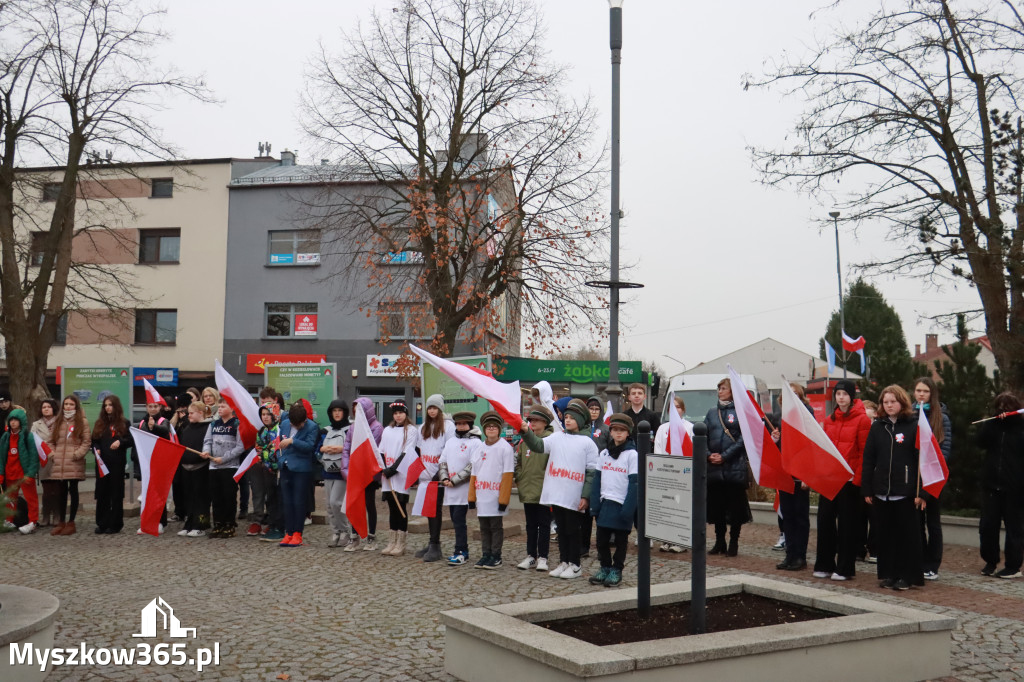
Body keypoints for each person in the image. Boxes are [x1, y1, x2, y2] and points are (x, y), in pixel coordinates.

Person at [518, 398, 599, 580]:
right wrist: (525, 432)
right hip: (557, 493)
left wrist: (586, 496)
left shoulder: (588, 443)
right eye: (566, 417)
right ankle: (564, 561)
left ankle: (575, 564)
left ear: (580, 420)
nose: (567, 420)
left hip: (574, 495)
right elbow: (538, 445)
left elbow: (591, 472)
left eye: (572, 417)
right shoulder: (556, 437)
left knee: (572, 530)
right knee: (561, 530)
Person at [862, 384, 924, 590]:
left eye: (892, 402)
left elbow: (922, 460)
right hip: (882, 492)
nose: (889, 405)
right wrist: (868, 488)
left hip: (905, 492)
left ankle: (907, 576)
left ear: (901, 402)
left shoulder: (914, 426)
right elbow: (869, 459)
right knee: (885, 536)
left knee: (906, 536)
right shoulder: (878, 427)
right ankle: (889, 573)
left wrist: (921, 492)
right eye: (885, 402)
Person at [817, 379, 871, 580]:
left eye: (845, 394)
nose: (841, 397)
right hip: (830, 480)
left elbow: (865, 452)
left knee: (848, 527)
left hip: (849, 482)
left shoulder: (862, 420)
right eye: (838, 394)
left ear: (851, 396)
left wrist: (857, 480)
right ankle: (824, 564)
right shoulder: (830, 420)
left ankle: (845, 568)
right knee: (825, 522)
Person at [977, 392, 1024, 579]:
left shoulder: (1020, 428)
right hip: (991, 485)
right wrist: (992, 423)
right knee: (988, 526)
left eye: (1008, 406)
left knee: (1014, 528)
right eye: (1000, 406)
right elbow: (981, 443)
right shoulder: (993, 426)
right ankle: (990, 561)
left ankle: (1013, 565)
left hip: (1014, 487)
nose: (1004, 410)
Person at [588, 413, 638, 587]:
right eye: (615, 430)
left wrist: (628, 509)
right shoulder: (604, 454)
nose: (618, 433)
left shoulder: (632, 455)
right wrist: (594, 504)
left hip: (622, 504)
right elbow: (597, 480)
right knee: (601, 540)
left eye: (622, 431)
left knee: (620, 541)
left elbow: (635, 484)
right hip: (605, 502)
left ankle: (617, 569)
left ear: (628, 433)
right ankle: (605, 567)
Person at [705, 377, 751, 557]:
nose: (720, 391)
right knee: (717, 508)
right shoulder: (711, 413)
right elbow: (704, 435)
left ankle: (733, 542)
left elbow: (743, 439)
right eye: (719, 388)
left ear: (732, 392)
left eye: (723, 388)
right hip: (715, 469)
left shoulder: (740, 412)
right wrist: (709, 454)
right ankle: (719, 541)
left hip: (734, 468)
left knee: (735, 509)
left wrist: (725, 456)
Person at [913, 377, 952, 581]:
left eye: (925, 391)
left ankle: (932, 563)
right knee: (916, 522)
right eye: (918, 390)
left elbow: (944, 451)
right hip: (914, 477)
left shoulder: (941, 418)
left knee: (933, 522)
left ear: (932, 394)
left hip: (934, 476)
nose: (921, 394)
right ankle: (918, 560)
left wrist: (930, 483)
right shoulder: (910, 414)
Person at [771, 383, 811, 572]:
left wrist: (807, 475)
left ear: (801, 396)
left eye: (795, 394)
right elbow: (779, 449)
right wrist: (776, 440)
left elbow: (810, 446)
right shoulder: (780, 417)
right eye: (788, 395)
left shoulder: (806, 414)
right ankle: (790, 554)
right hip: (786, 473)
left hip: (801, 473)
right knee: (787, 517)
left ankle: (800, 557)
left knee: (800, 516)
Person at [468, 411, 515, 569]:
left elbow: (508, 475)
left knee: (495, 527)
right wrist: (471, 497)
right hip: (482, 494)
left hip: (496, 495)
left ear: (499, 429)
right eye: (489, 427)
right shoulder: (479, 448)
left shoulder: (505, 448)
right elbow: (474, 474)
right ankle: (485, 554)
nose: (491, 429)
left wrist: (503, 499)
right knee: (484, 527)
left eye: (495, 427)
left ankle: (496, 555)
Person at [413, 394, 454, 562]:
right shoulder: (422, 427)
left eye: (434, 408)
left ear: (440, 409)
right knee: (429, 510)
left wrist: (440, 473)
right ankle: (432, 543)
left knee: (435, 510)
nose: (431, 411)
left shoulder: (448, 426)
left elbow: (450, 450)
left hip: (439, 475)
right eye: (429, 407)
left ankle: (435, 545)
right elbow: (418, 450)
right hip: (426, 476)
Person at [341, 397, 384, 551]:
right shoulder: (353, 428)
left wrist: (366, 471)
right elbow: (346, 449)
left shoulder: (376, 427)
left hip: (368, 475)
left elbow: (372, 451)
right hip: (355, 474)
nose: (356, 412)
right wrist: (346, 470)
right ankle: (354, 537)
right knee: (354, 503)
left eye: (359, 409)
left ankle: (371, 537)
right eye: (354, 409)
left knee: (369, 504)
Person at [275, 401, 320, 547]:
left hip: (301, 469)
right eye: (294, 424)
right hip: (286, 466)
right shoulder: (285, 423)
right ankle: (288, 532)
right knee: (286, 502)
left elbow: (309, 446)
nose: (295, 427)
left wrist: (292, 441)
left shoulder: (312, 427)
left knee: (299, 502)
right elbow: (278, 443)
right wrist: (280, 459)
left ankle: (297, 533)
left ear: (304, 420)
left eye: (298, 425)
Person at [515, 406, 554, 571]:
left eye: (536, 420)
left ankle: (543, 557)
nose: (533, 423)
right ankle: (531, 555)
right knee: (530, 525)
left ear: (545, 422)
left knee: (544, 525)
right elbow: (519, 463)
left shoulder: (551, 440)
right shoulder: (524, 442)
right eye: (531, 421)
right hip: (528, 489)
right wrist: (520, 478)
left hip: (544, 490)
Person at [439, 411, 481, 565]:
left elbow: (472, 465)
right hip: (450, 488)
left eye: (464, 424)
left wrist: (455, 480)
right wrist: (444, 477)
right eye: (458, 424)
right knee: (455, 519)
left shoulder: (476, 442)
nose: (461, 426)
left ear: (469, 424)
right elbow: (442, 461)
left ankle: (461, 551)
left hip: (463, 489)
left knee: (459, 520)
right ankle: (460, 549)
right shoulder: (450, 442)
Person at [379, 400, 419, 557]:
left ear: (406, 414)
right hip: (387, 474)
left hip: (400, 474)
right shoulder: (387, 430)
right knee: (391, 508)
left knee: (400, 507)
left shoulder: (411, 430)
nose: (398, 416)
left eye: (401, 412)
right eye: (395, 413)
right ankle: (392, 541)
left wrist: (393, 469)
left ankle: (401, 542)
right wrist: (384, 467)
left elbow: (407, 452)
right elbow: (381, 450)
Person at [201, 398, 245, 539]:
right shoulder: (213, 424)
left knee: (229, 497)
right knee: (216, 497)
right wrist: (206, 451)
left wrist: (224, 458)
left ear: (231, 408)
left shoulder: (237, 424)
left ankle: (229, 524)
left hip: (230, 466)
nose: (219, 409)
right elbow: (207, 441)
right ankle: (218, 524)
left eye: (223, 406)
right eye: (218, 406)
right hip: (214, 467)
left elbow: (240, 447)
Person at [90, 395, 133, 534]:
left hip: (117, 463)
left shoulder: (124, 423)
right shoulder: (100, 423)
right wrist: (96, 448)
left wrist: (120, 442)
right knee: (102, 493)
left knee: (116, 493)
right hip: (102, 464)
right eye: (105, 405)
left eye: (110, 405)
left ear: (116, 406)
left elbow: (130, 440)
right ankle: (102, 522)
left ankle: (115, 524)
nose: (108, 407)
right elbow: (94, 440)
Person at [48, 395, 90, 536]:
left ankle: (71, 522)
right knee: (60, 493)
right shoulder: (58, 421)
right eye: (66, 404)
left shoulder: (81, 422)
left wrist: (77, 454)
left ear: (76, 406)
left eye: (71, 404)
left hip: (74, 462)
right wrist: (53, 454)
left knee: (73, 491)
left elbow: (86, 442)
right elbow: (50, 441)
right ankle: (61, 521)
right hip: (60, 462)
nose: (68, 407)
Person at [653, 395, 688, 553]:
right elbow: (658, 450)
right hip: (666, 474)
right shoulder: (663, 428)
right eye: (672, 407)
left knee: (680, 508)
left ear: (683, 410)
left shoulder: (690, 427)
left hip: (682, 475)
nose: (675, 410)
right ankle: (667, 539)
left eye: (678, 407)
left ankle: (681, 540)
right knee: (667, 508)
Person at [1, 407, 40, 534]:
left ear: (21, 422)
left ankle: (32, 522)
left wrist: (30, 473)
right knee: (10, 499)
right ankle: (9, 521)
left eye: (15, 420)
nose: (13, 422)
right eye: (11, 420)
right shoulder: (5, 438)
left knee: (31, 499)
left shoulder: (27, 437)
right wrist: (1, 473)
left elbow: (34, 457)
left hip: (24, 475)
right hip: (10, 474)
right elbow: (1, 457)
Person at [175, 401, 211, 537]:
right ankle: (189, 523)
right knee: (188, 498)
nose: (188, 416)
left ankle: (201, 524)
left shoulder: (207, 427)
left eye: (191, 413)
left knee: (201, 499)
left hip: (200, 468)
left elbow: (209, 445)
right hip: (186, 468)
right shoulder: (186, 428)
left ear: (200, 413)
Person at [318, 398, 351, 548]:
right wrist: (322, 450)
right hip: (327, 471)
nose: (337, 414)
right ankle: (336, 532)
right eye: (334, 411)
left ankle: (345, 531)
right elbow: (317, 448)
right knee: (329, 506)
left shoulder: (350, 429)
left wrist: (341, 449)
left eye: (340, 411)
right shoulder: (325, 430)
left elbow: (354, 448)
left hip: (342, 472)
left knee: (336, 502)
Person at [255, 404, 284, 543]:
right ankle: (272, 526)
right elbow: (258, 446)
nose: (265, 417)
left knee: (279, 499)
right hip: (267, 469)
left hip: (279, 470)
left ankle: (280, 527)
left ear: (274, 415)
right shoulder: (261, 431)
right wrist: (261, 457)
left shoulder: (280, 429)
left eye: (268, 414)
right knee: (270, 498)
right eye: (263, 414)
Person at [31, 399, 60, 528]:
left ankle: (57, 515)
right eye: (44, 407)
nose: (46, 409)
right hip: (43, 461)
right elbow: (32, 442)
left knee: (57, 490)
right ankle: (46, 515)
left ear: (54, 408)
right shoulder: (36, 425)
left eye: (48, 407)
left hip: (57, 459)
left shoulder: (60, 423)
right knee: (47, 490)